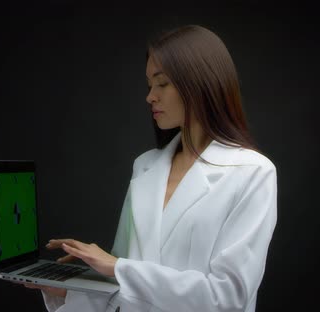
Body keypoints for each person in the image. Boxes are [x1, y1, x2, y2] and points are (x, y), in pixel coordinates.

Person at [24, 24, 278, 312]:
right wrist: (70, 290)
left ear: (200, 82)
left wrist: (118, 267)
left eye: (162, 83)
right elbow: (122, 286)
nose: (150, 97)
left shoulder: (253, 173)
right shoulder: (145, 167)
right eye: (149, 85)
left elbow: (227, 298)